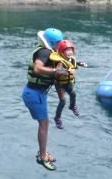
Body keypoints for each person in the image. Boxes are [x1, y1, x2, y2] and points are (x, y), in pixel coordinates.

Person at [22, 28, 69, 171]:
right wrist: (56, 71)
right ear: (53, 43)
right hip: (34, 94)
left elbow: (56, 80)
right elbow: (37, 69)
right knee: (44, 124)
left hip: (38, 93)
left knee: (45, 123)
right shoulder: (44, 52)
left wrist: (62, 97)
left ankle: (42, 152)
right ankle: (42, 157)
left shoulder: (52, 54)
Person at [50, 40, 87, 129]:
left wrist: (80, 63)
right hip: (60, 84)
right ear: (62, 53)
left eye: (71, 50)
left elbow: (73, 63)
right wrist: (67, 71)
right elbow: (57, 72)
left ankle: (72, 106)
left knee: (73, 94)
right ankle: (57, 118)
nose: (70, 52)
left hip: (69, 82)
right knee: (62, 101)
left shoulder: (72, 59)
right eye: (67, 50)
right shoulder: (60, 63)